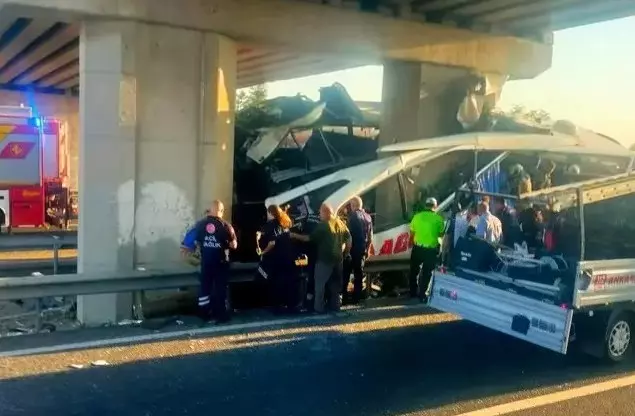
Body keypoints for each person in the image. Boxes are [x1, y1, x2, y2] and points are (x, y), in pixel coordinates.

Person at [181, 200, 238, 324]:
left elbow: (186, 245)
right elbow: (234, 245)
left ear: (209, 210)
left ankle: (204, 314)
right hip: (221, 263)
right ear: (221, 211)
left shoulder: (199, 225)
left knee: (205, 288)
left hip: (206, 262)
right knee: (220, 289)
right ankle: (221, 315)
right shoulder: (226, 226)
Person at [291, 203, 351, 314]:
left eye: (320, 213)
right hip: (338, 260)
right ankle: (335, 307)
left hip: (324, 260)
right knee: (335, 286)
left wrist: (294, 235)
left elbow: (308, 238)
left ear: (326, 212)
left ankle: (318, 309)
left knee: (320, 285)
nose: (319, 215)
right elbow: (348, 239)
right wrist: (345, 252)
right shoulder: (340, 222)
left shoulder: (324, 225)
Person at [257, 204, 299, 313]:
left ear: (270, 213)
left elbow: (272, 242)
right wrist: (261, 233)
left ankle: (276, 307)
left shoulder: (270, 224)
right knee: (289, 282)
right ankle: (291, 306)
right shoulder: (284, 223)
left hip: (276, 259)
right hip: (288, 258)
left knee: (276, 283)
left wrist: (263, 252)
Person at [409, 197, 445, 302]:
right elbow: (441, 234)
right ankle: (422, 295)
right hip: (430, 250)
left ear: (425, 205)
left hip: (417, 248)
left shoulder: (416, 217)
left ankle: (412, 293)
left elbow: (412, 233)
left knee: (414, 271)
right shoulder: (439, 219)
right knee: (427, 273)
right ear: (435, 206)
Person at [342, 196, 373, 305]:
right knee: (358, 274)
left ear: (352, 205)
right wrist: (368, 250)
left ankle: (344, 298)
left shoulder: (352, 216)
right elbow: (370, 237)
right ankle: (357, 298)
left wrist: (346, 251)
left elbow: (348, 236)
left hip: (352, 249)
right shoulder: (368, 217)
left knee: (345, 273)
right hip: (362, 250)